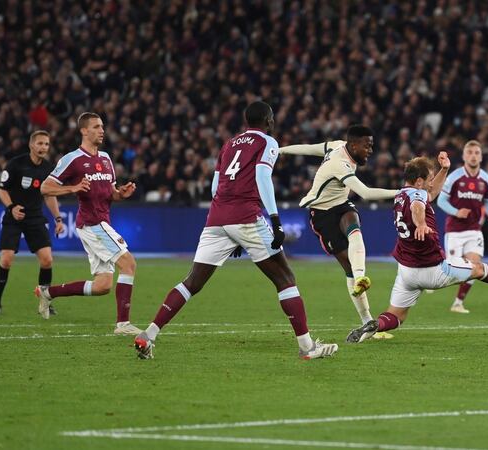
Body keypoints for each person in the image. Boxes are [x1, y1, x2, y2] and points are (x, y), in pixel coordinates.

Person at [134, 101, 338, 360]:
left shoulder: (229, 144)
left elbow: (214, 187)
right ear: (267, 120)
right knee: (285, 279)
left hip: (216, 217)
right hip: (246, 216)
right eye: (272, 119)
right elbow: (262, 178)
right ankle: (308, 347)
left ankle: (149, 334)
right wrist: (275, 220)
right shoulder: (267, 142)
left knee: (192, 282)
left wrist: (232, 234)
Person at [346, 154, 488, 343]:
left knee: (396, 316)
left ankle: (375, 325)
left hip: (406, 272)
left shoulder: (400, 195)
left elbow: (428, 195)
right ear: (420, 181)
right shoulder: (417, 195)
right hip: (433, 270)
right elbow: (418, 206)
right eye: (430, 179)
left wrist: (444, 169)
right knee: (479, 269)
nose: (433, 182)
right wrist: (421, 224)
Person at [279, 126, 399, 338]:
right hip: (322, 215)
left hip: (341, 204)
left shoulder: (335, 146)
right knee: (348, 265)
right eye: (367, 146)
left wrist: (282, 150)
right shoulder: (340, 164)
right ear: (353, 145)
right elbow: (366, 193)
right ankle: (367, 320)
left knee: (354, 227)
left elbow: (308, 149)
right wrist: (402, 192)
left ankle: (361, 277)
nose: (370, 150)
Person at [37, 112, 141, 335]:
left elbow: (111, 193)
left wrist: (122, 193)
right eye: (96, 126)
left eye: (102, 126)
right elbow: (45, 187)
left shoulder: (105, 158)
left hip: (100, 222)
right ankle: (123, 325)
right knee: (129, 264)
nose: (101, 130)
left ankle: (47, 292)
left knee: (102, 285)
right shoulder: (72, 159)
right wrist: (72, 188)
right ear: (84, 130)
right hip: (93, 223)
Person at [0, 131, 65, 315]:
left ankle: (45, 303)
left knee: (47, 259)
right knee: (6, 260)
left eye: (46, 144)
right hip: (13, 217)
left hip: (35, 218)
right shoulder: (16, 164)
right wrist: (12, 207)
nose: (43, 147)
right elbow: (2, 191)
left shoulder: (48, 169)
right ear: (31, 145)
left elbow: (49, 196)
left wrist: (58, 218)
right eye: (40, 143)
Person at [437, 140, 488, 313]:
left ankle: (458, 303)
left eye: (477, 153)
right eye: (469, 152)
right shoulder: (454, 177)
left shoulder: (486, 179)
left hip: (474, 230)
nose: (473, 156)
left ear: (481, 157)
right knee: (453, 272)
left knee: (475, 266)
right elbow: (441, 200)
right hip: (454, 230)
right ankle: (431, 277)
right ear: (464, 156)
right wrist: (456, 212)